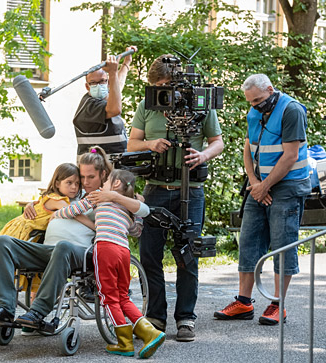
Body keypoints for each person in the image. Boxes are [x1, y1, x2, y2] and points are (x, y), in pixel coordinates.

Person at [0, 147, 150, 333]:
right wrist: (33, 203)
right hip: (49, 250)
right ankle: (5, 308)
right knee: (4, 242)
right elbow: (50, 197)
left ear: (103, 174)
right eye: (81, 178)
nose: (84, 183)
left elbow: (140, 215)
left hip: (80, 254)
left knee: (63, 247)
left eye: (90, 177)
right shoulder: (73, 192)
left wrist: (116, 197)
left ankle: (37, 312)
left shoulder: (110, 197)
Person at [127, 54, 224, 342]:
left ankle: (186, 318)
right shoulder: (148, 104)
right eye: (156, 85)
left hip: (190, 190)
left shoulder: (199, 103)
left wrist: (203, 155)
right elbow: (132, 143)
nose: (162, 90)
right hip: (155, 189)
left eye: (165, 84)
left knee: (187, 256)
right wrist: (149, 144)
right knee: (150, 256)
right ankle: (155, 316)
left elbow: (217, 142)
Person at [214, 74, 310, 325]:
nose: (255, 106)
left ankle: (279, 305)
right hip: (259, 185)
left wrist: (264, 185)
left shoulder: (291, 110)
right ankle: (243, 303)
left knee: (282, 244)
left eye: (258, 100)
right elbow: (248, 146)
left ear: (270, 90)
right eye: (250, 102)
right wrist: (254, 183)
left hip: (287, 186)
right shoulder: (255, 111)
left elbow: (290, 156)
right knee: (248, 242)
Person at [53, 169, 165, 358]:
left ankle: (125, 343)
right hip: (124, 252)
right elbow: (136, 231)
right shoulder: (125, 209)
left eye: (105, 183)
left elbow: (72, 210)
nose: (101, 186)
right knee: (123, 296)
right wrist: (136, 216)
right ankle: (150, 333)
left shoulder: (98, 197)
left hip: (105, 248)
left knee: (109, 297)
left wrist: (57, 213)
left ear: (116, 185)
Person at [0, 162, 83, 338]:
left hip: (37, 238)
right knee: (8, 274)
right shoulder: (59, 201)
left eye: (77, 183)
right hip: (25, 235)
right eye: (69, 183)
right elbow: (72, 212)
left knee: (36, 279)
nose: (74, 187)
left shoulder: (49, 197)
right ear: (57, 183)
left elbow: (46, 202)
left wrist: (33, 203)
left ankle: (31, 320)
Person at [73, 46, 137, 160]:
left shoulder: (104, 99)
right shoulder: (89, 105)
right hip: (97, 172)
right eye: (93, 83)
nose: (99, 86)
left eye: (102, 81)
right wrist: (112, 72)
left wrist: (126, 63)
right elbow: (115, 109)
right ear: (87, 86)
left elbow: (117, 88)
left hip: (113, 170)